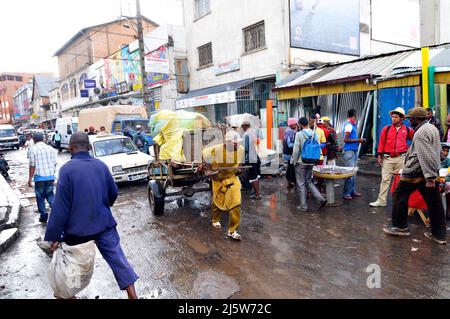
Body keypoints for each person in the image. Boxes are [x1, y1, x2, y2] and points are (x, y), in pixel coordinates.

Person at [44, 132, 139, 298]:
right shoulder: (101, 165)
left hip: (76, 232)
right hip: (104, 225)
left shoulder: (66, 170)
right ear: (88, 147)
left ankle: (71, 295)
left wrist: (54, 235)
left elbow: (60, 206)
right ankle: (133, 295)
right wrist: (104, 205)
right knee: (118, 260)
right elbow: (113, 193)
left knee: (74, 265)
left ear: (71, 148)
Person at [383, 107, 447, 245]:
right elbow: (435, 151)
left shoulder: (421, 133)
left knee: (399, 195)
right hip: (429, 171)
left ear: (417, 118)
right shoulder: (432, 128)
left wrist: (429, 177)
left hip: (417, 172)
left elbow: (426, 154)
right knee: (435, 203)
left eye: (411, 118)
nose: (409, 121)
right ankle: (439, 235)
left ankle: (400, 227)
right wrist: (432, 174)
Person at [201, 131, 244, 241]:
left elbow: (239, 163)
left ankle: (232, 231)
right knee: (218, 201)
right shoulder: (216, 149)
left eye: (238, 142)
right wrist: (209, 169)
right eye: (235, 143)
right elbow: (205, 156)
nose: (237, 145)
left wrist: (239, 169)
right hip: (218, 179)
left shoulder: (241, 150)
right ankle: (215, 220)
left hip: (231, 178)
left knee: (236, 202)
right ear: (228, 142)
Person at [370, 107, 414, 207]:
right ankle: (381, 201)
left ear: (402, 118)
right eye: (393, 117)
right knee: (385, 180)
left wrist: (409, 151)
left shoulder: (407, 130)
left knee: (401, 181)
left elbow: (415, 140)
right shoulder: (386, 129)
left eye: (396, 117)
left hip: (401, 158)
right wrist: (379, 156)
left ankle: (400, 201)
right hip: (387, 158)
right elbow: (381, 143)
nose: (393, 119)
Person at [291, 117, 327, 212]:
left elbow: (296, 149)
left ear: (300, 124)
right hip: (311, 161)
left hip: (301, 162)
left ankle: (303, 206)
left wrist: (293, 161)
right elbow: (317, 147)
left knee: (301, 184)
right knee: (308, 181)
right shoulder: (315, 134)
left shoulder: (299, 134)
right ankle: (321, 198)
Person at [28, 133, 57, 224]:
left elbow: (32, 165)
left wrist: (30, 179)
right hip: (50, 176)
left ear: (34, 140)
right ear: (43, 139)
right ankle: (58, 211)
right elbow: (55, 163)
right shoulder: (51, 149)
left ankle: (43, 215)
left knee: (40, 196)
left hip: (39, 177)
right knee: (50, 194)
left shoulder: (33, 149)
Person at [342, 109, 365, 200]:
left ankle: (352, 190)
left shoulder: (352, 125)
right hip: (349, 152)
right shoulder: (349, 126)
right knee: (349, 173)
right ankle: (346, 193)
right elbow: (345, 139)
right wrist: (358, 140)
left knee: (353, 173)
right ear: (354, 115)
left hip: (353, 151)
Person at [241, 120, 262, 200]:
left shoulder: (246, 134)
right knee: (256, 176)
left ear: (245, 126)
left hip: (251, 158)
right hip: (256, 157)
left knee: (253, 176)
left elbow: (245, 148)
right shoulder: (255, 132)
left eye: (242, 126)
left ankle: (257, 194)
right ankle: (255, 192)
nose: (242, 128)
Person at [283, 118, 299, 188]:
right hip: (290, 154)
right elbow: (290, 144)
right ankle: (295, 183)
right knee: (292, 169)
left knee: (289, 168)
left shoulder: (288, 131)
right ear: (292, 124)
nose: (296, 125)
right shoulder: (291, 133)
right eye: (295, 124)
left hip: (287, 153)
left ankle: (289, 183)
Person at [439, 145, 450, 224]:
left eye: (447, 151)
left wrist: (444, 179)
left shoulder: (448, 161)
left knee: (449, 186)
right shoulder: (433, 159)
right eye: (443, 150)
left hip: (443, 182)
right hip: (432, 181)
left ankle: (448, 210)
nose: (445, 153)